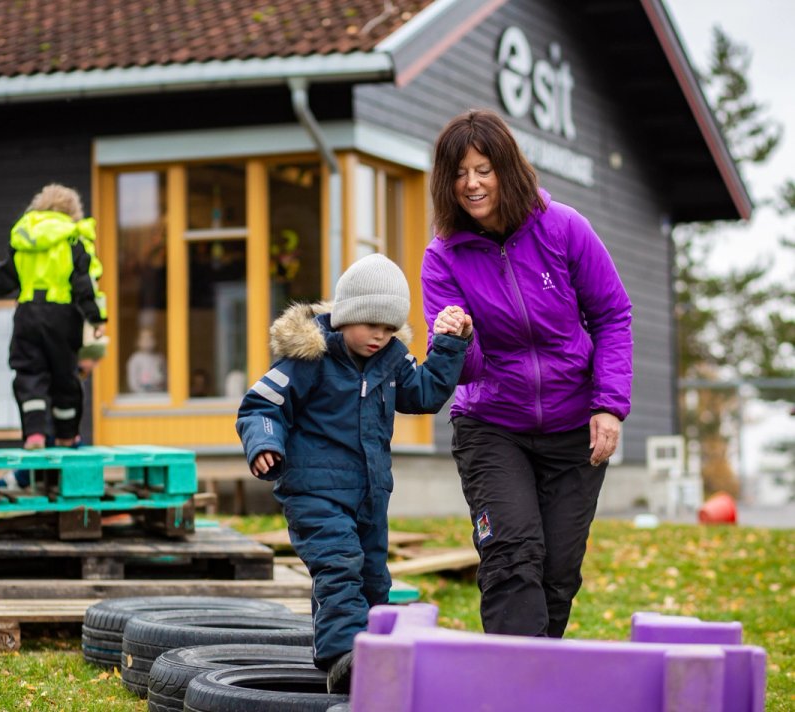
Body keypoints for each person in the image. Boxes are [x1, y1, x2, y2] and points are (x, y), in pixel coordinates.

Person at [421, 109, 633, 639]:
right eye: (460, 172)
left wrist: (608, 405)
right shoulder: (443, 258)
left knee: (557, 572)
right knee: (511, 556)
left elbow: (612, 316)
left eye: (484, 169)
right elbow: (464, 373)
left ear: (507, 170)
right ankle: (512, 687)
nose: (471, 183)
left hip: (572, 427)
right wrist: (455, 338)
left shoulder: (563, 228)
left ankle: (540, 678)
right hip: (493, 426)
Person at [235, 253, 472, 693]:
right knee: (339, 564)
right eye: (369, 326)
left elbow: (424, 395)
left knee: (373, 576)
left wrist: (451, 347)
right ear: (344, 317)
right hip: (313, 490)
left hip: (369, 494)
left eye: (388, 328)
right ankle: (345, 656)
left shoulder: (392, 362)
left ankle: (372, 655)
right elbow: (260, 405)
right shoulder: (310, 359)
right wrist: (265, 442)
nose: (379, 337)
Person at [0, 183, 108, 449]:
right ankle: (65, 435)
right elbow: (85, 283)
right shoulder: (74, 238)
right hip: (63, 316)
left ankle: (35, 433)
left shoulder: (24, 238)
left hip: (27, 313)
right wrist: (97, 318)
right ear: (73, 210)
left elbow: (2, 279)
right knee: (65, 376)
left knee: (29, 373)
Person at [126, 326, 167, 393]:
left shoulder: (159, 358)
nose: (147, 341)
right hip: (140, 398)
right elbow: (132, 381)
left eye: (150, 338)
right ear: (138, 341)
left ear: (156, 340)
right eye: (144, 339)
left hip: (159, 395)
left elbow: (165, 376)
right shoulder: (134, 359)